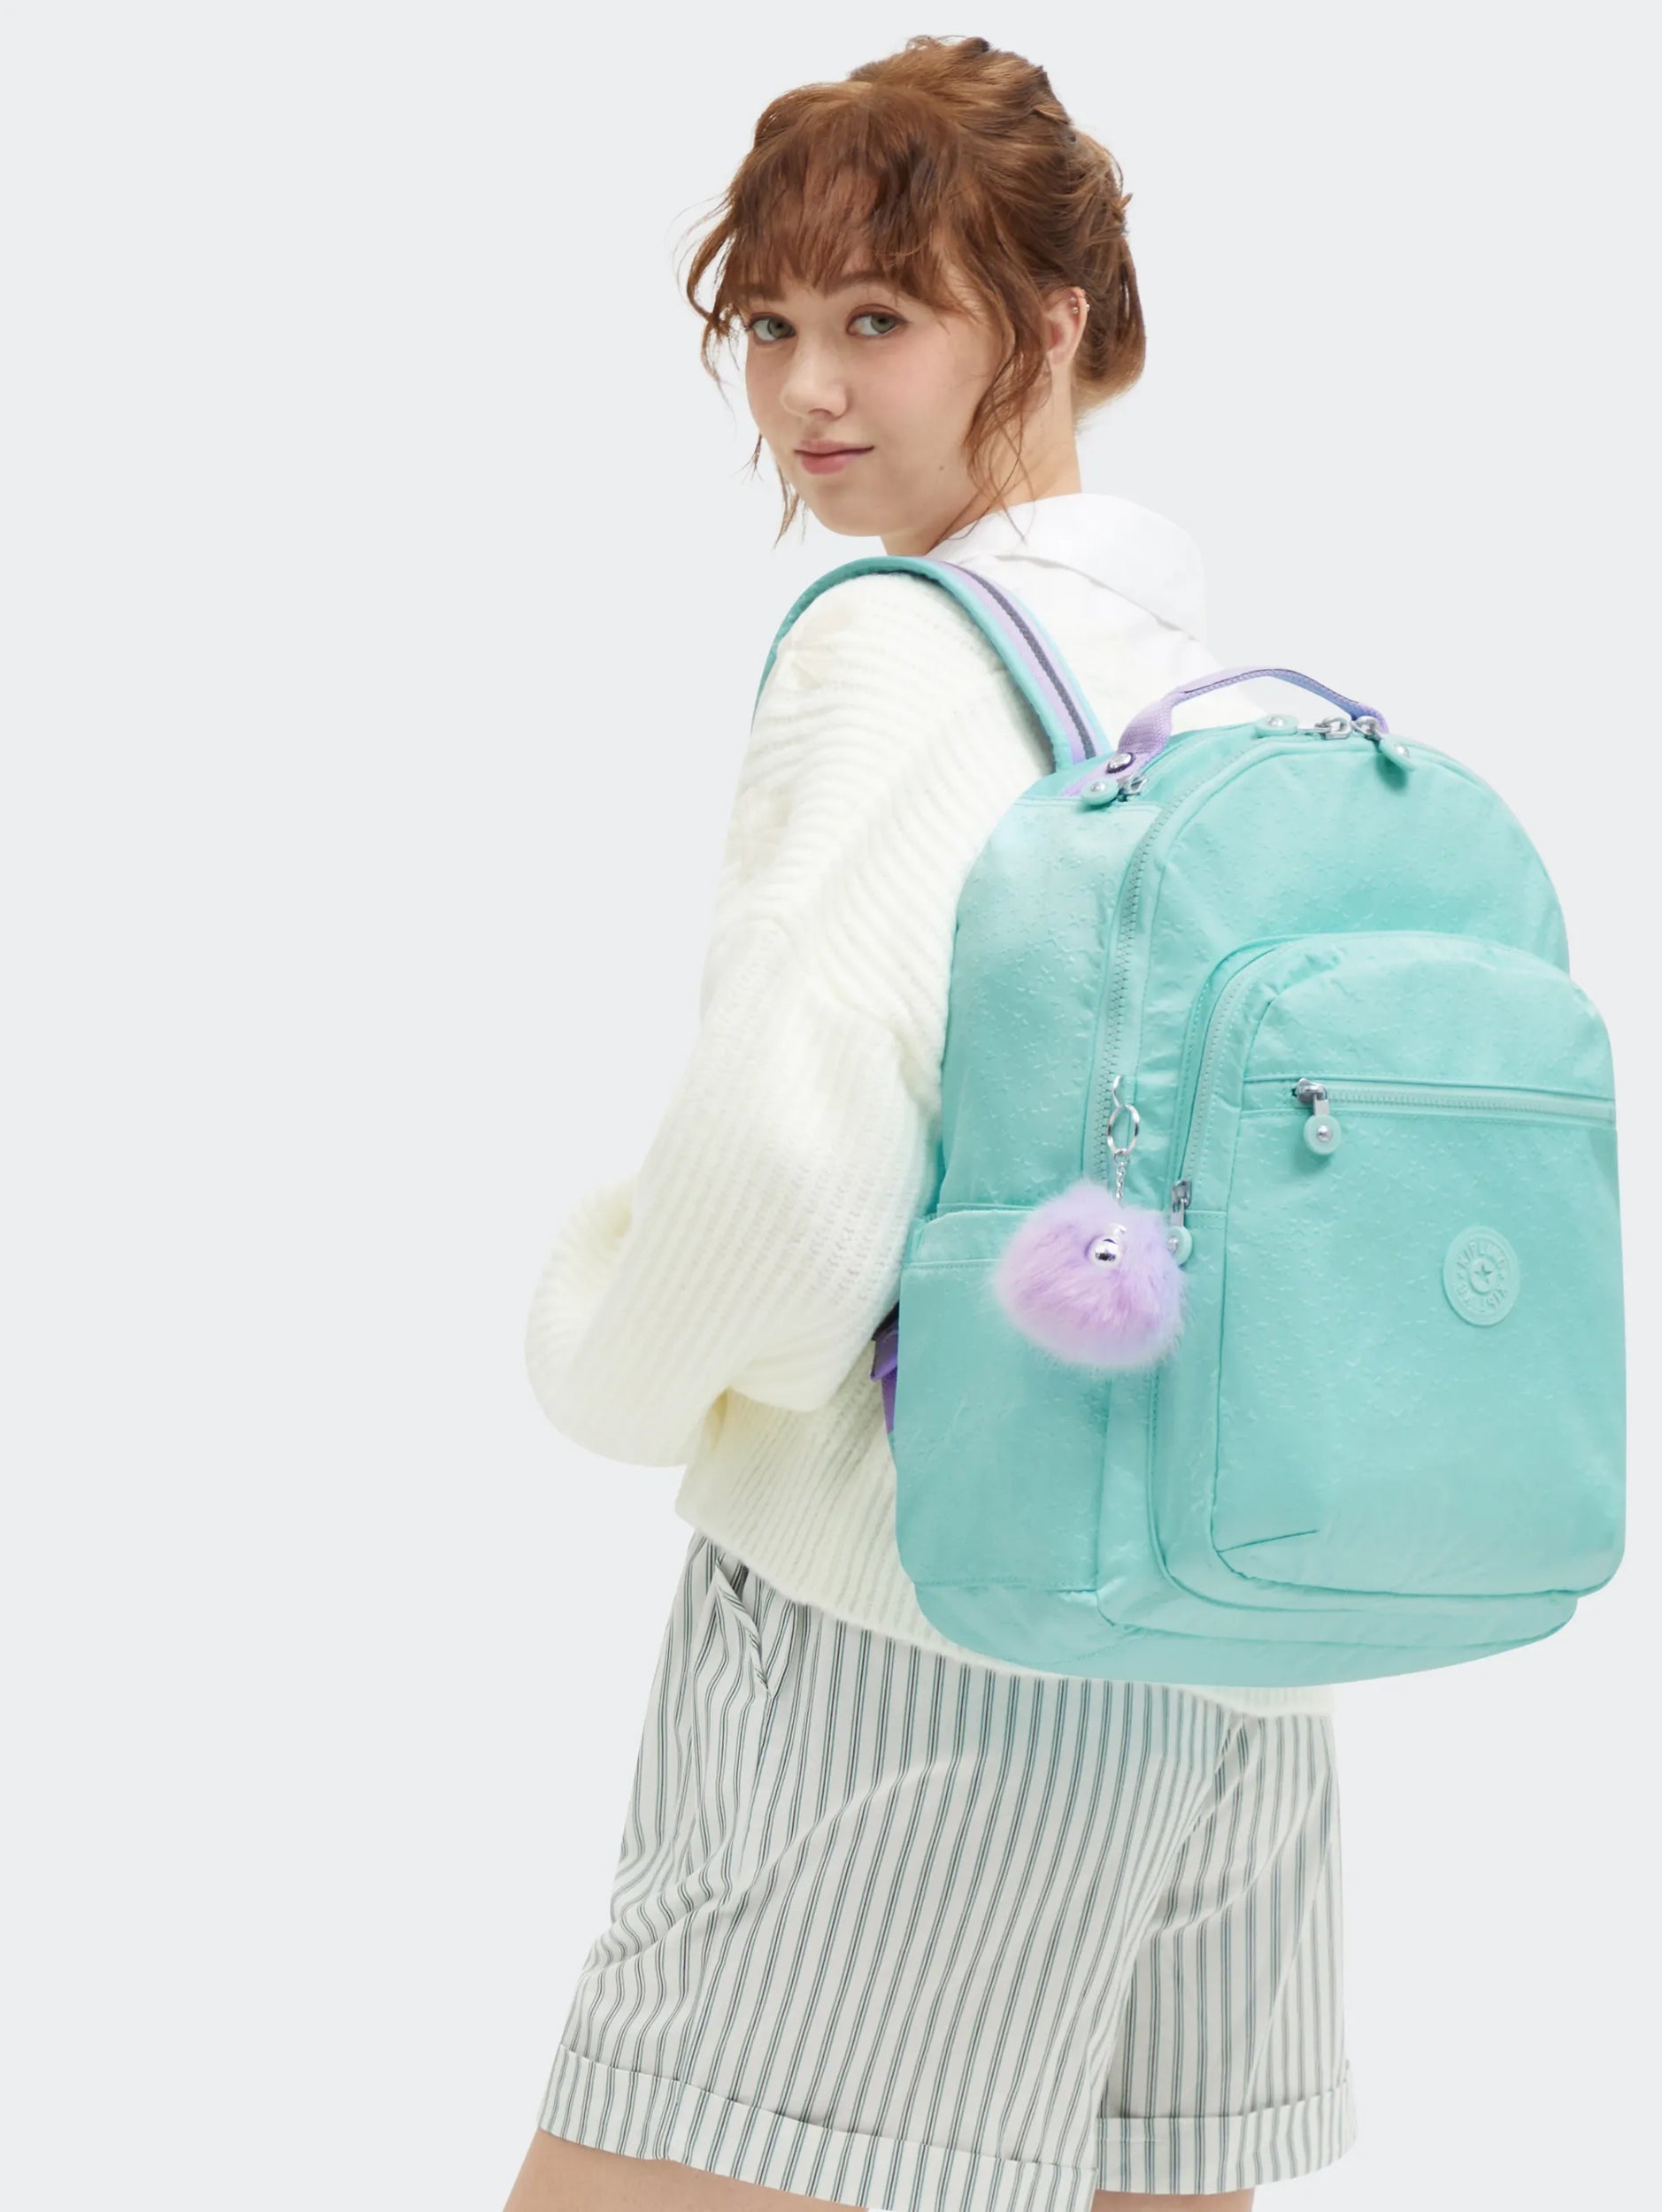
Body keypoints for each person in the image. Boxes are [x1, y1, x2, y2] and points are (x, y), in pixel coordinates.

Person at [504, 36, 1354, 2212]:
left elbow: (787, 1165)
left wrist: (612, 1351)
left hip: (920, 1627)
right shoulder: (1212, 695)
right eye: (769, 322)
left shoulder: (897, 650)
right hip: (1229, 1653)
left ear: (1049, 325)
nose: (807, 388)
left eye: (879, 317)